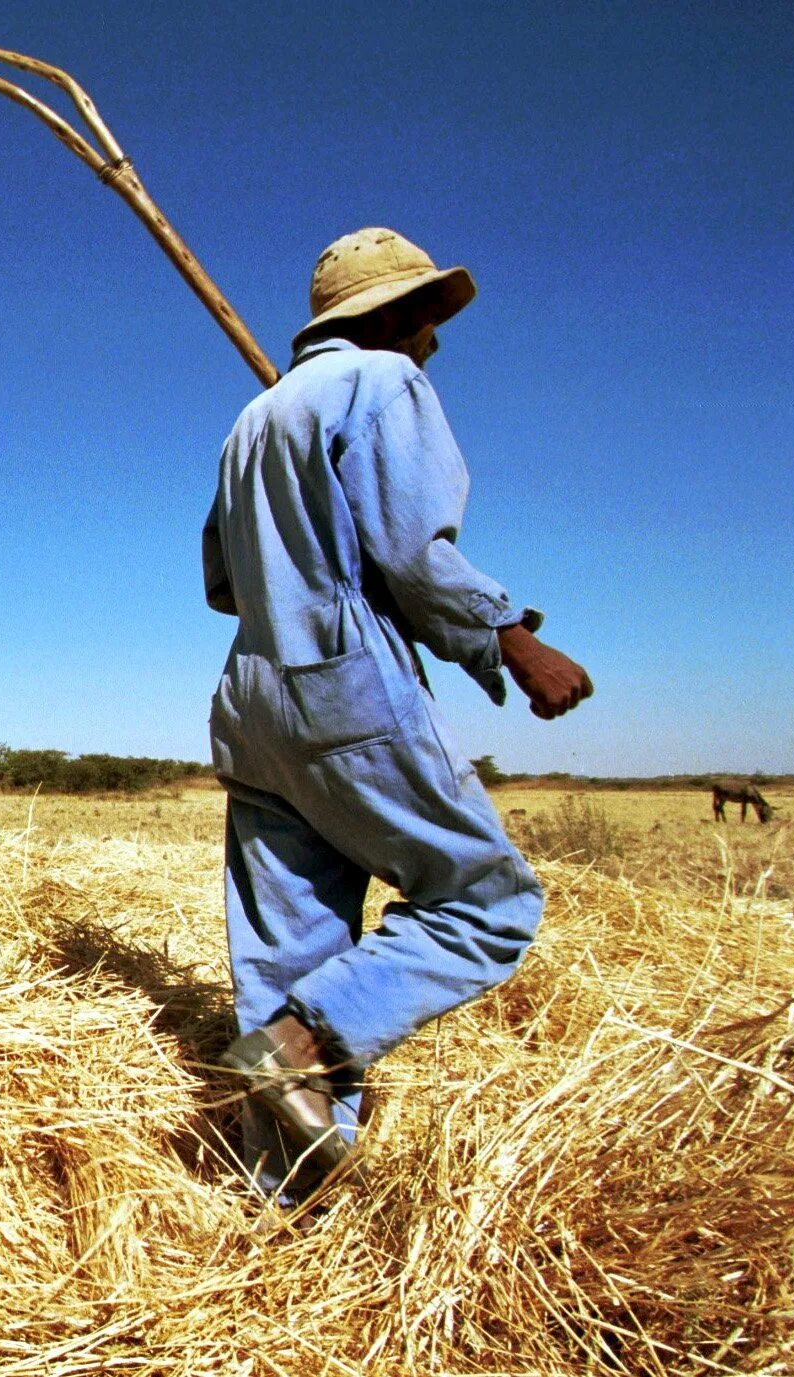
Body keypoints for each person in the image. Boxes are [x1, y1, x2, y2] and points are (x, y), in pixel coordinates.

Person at [201, 227, 592, 1201]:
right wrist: (511, 639)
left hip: (251, 694)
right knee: (486, 906)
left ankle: (281, 1195)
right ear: (396, 317)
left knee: (290, 945)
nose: (435, 342)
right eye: (428, 317)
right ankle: (296, 1045)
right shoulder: (385, 386)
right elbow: (415, 555)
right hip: (342, 684)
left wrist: (297, 547)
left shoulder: (252, 422)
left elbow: (221, 580)